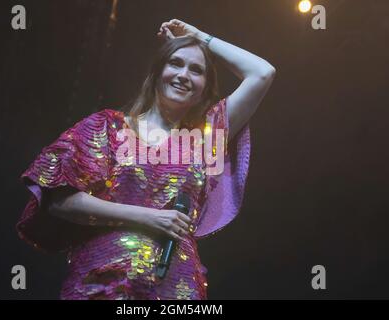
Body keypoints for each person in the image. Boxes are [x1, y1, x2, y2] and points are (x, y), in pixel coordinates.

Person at [16, 19, 275, 300]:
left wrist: (200, 37)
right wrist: (150, 218)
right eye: (175, 63)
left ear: (204, 87)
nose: (184, 75)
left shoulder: (207, 136)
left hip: (176, 286)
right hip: (100, 280)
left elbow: (262, 72)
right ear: (157, 72)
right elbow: (60, 202)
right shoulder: (107, 127)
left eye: (196, 70)